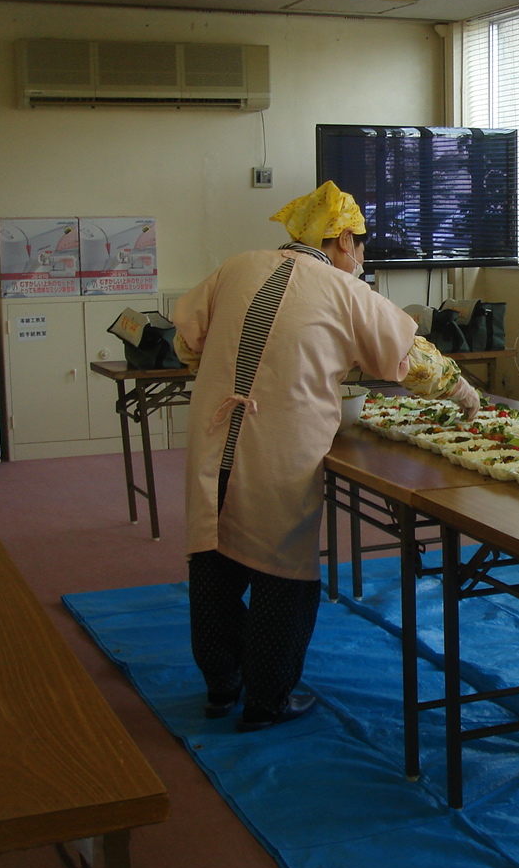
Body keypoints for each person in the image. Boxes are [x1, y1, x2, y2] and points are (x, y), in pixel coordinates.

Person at [172, 180, 480, 733]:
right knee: (279, 567)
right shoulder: (347, 293)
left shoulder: (237, 266)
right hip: (280, 445)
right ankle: (266, 699)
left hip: (215, 434)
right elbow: (417, 362)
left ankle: (222, 685)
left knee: (211, 553)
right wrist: (465, 394)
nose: (360, 260)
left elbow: (184, 341)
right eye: (360, 247)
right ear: (343, 239)